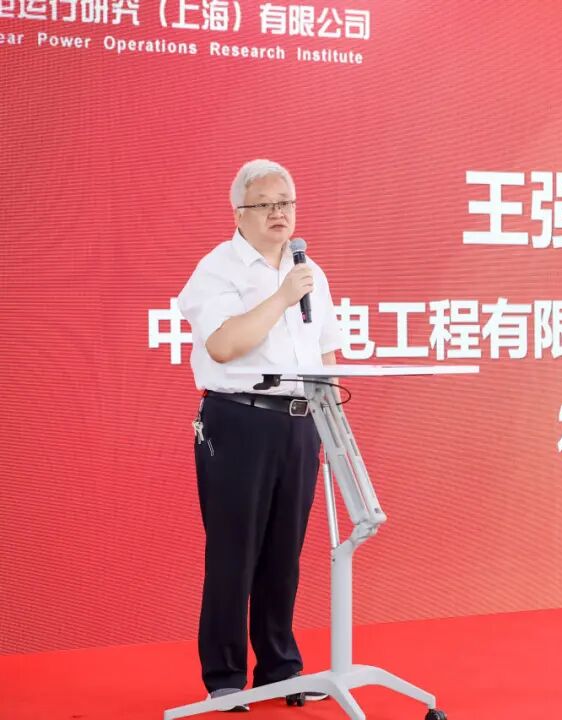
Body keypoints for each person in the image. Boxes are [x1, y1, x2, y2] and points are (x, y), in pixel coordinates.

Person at [178, 159, 344, 711]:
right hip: (238, 419)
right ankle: (225, 678)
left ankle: (281, 667)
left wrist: (330, 426)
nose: (280, 213)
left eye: (287, 202)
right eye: (266, 204)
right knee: (235, 552)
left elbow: (325, 352)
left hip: (300, 422)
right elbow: (225, 345)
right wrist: (280, 297)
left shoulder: (309, 271)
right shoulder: (218, 269)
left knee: (284, 554)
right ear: (239, 213)